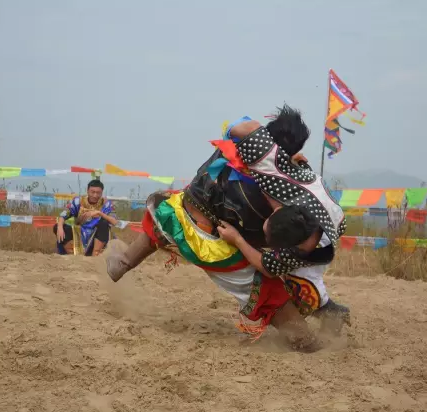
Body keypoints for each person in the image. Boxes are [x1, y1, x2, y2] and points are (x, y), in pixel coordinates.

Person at [105, 105, 348, 352]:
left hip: (211, 217)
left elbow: (271, 264)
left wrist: (240, 241)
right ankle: (305, 335)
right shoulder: (278, 164)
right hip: (204, 223)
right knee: (265, 286)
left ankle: (122, 263)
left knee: (276, 279)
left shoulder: (278, 166)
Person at [54, 180, 117, 256]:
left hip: (97, 235)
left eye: (98, 193)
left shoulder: (107, 204)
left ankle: (95, 255)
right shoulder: (78, 201)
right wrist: (60, 226)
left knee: (104, 223)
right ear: (87, 191)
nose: (95, 195)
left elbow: (115, 222)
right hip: (79, 234)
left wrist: (99, 213)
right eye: (92, 192)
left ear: (102, 192)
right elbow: (64, 214)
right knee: (58, 226)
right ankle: (72, 255)